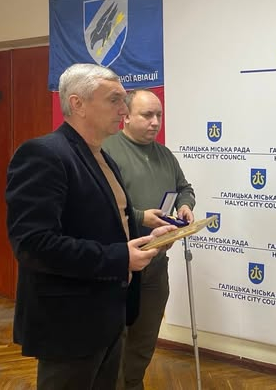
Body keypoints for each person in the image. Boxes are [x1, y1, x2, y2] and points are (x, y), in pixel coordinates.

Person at [5, 63, 172, 390]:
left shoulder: (102, 157)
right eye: (114, 100)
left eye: (124, 100)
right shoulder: (43, 154)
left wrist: (146, 239)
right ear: (77, 103)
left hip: (109, 315)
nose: (123, 110)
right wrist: (120, 258)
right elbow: (33, 244)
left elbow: (106, 227)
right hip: (69, 324)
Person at [102, 88, 195, 390]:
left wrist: (185, 205)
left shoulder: (164, 154)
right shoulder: (107, 151)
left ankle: (134, 384)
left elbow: (184, 188)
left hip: (156, 263)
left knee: (144, 338)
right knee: (116, 340)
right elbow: (102, 205)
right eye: (147, 115)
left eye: (159, 115)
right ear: (126, 116)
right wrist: (142, 217)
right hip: (121, 265)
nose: (155, 122)